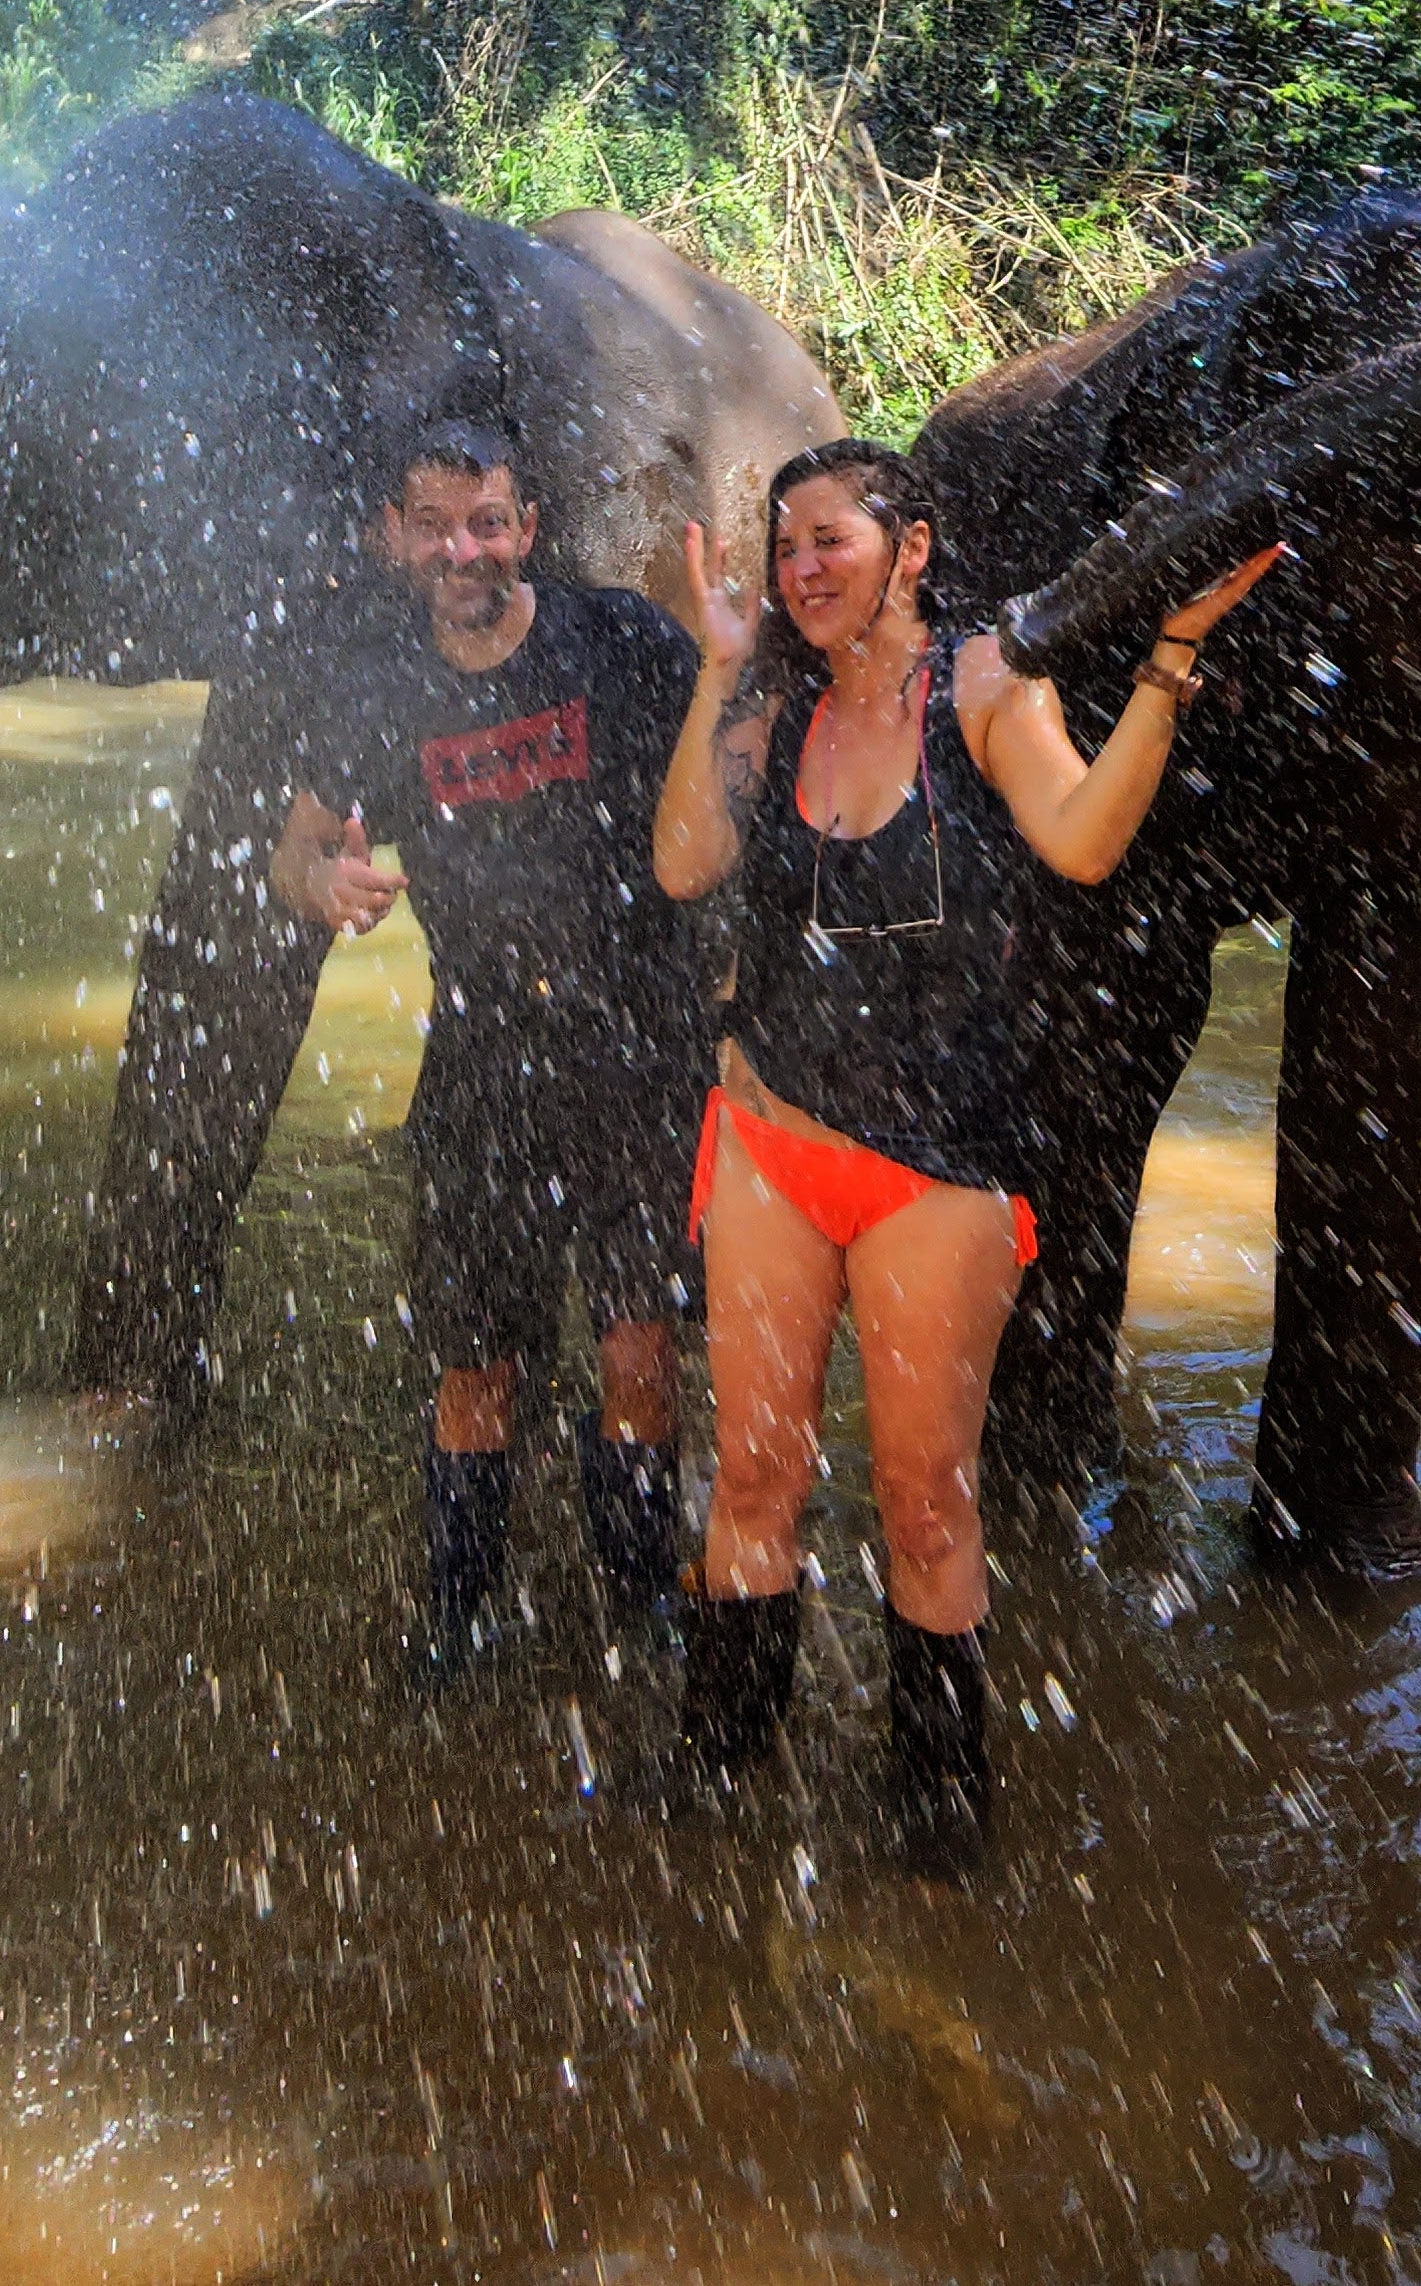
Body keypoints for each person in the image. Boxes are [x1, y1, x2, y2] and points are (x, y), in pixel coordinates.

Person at [652, 437, 1275, 1867]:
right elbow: (685, 864)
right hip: (769, 1137)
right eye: (785, 545)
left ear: (911, 549)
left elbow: (1083, 840)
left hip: (940, 1171)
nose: (804, 568)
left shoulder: (985, 689)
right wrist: (711, 670)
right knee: (753, 1484)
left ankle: (937, 1824)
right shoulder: (771, 708)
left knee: (927, 1502)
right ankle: (715, 1797)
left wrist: (1171, 662)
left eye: (833, 541)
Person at [272, 424, 708, 1677]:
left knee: (638, 1345)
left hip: (637, 1046)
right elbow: (288, 852)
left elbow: (728, 782)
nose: (464, 548)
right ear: (395, 537)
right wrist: (326, 887)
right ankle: (458, 1615)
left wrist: (730, 666)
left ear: (526, 528)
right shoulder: (377, 689)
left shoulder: (619, 642)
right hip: (479, 1054)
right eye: (436, 524)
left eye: (488, 522)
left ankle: (638, 1602)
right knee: (474, 1361)